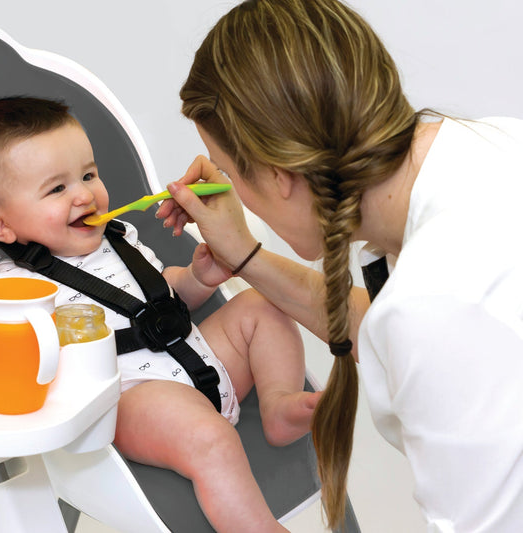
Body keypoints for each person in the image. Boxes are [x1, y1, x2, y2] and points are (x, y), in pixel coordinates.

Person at [155, 0, 523, 531]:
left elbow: (430, 323)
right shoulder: (492, 144)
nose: (231, 192)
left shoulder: (436, 307)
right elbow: (385, 325)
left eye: (231, 174)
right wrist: (246, 256)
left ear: (279, 175)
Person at [0, 96, 321, 532]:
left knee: (260, 304)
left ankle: (278, 406)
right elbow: (18, 357)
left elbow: (165, 296)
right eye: (57, 189)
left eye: (88, 175)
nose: (85, 194)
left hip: (201, 362)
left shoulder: (120, 237)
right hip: (131, 399)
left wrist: (198, 278)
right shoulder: (11, 281)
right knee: (210, 439)